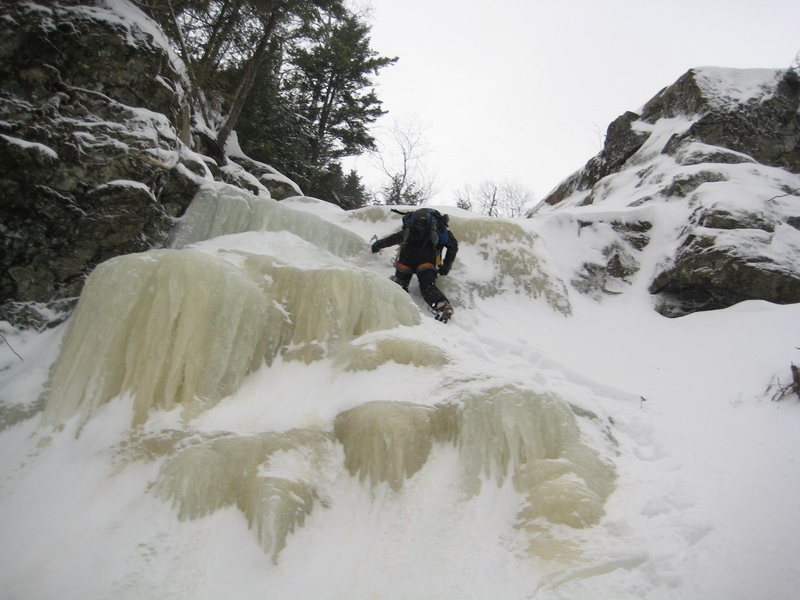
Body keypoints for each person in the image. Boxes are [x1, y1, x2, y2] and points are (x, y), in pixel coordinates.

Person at [371, 208, 458, 323]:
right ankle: (441, 305)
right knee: (427, 288)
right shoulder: (439, 229)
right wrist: (445, 267)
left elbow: (394, 238)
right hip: (427, 258)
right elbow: (453, 246)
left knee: (400, 285)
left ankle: (395, 308)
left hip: (407, 257)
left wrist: (377, 245)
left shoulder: (411, 227)